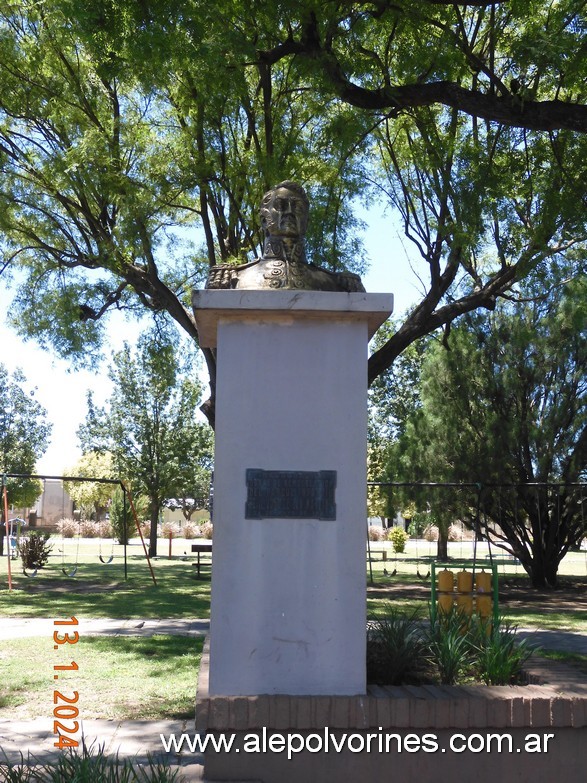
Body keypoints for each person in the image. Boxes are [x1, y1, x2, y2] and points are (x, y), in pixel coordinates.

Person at [206, 181, 365, 292]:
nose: (289, 211)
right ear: (263, 221)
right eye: (280, 205)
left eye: (297, 207)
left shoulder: (335, 283)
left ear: (306, 222)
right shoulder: (233, 279)